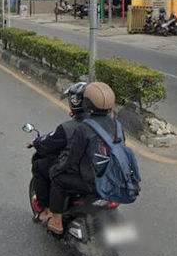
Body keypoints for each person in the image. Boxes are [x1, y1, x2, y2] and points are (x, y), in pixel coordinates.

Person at [46, 82, 118, 234]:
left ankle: (57, 222)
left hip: (91, 182)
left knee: (57, 178)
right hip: (112, 179)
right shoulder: (116, 125)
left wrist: (56, 169)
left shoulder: (83, 128)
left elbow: (71, 158)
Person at [28, 82, 87, 225]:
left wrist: (35, 142)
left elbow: (48, 142)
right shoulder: (109, 124)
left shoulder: (68, 128)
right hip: (102, 173)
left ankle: (49, 212)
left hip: (80, 173)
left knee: (40, 166)